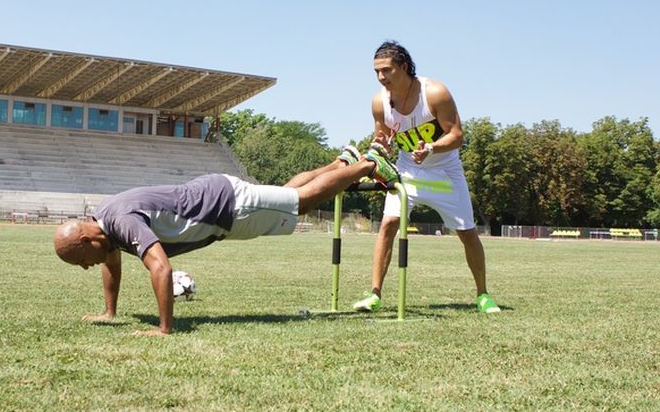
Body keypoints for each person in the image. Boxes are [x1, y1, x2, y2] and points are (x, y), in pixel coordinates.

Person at [53, 145, 401, 335]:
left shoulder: (121, 220)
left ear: (86, 238)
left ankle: (369, 166)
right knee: (287, 193)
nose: (86, 267)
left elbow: (160, 267)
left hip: (229, 207)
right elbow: (111, 263)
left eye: (81, 260)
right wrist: (110, 313)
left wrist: (164, 329)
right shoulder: (105, 221)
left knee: (301, 203)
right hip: (219, 200)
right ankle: (343, 161)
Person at [351, 40, 500, 314]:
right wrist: (378, 150)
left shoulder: (435, 93)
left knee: (467, 232)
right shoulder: (378, 101)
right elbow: (381, 137)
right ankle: (374, 295)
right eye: (376, 72)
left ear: (404, 67)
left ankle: (483, 295)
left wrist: (431, 147)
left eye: (387, 70)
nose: (381, 77)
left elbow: (457, 136)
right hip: (408, 169)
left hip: (445, 171)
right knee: (388, 225)